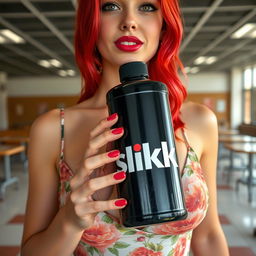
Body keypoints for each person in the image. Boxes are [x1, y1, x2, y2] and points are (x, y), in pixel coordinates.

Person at [21, 0, 229, 255]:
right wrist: (69, 221)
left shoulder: (199, 121)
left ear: (164, 25)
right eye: (110, 6)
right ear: (91, 24)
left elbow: (208, 237)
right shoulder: (53, 129)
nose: (129, 21)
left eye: (147, 7)